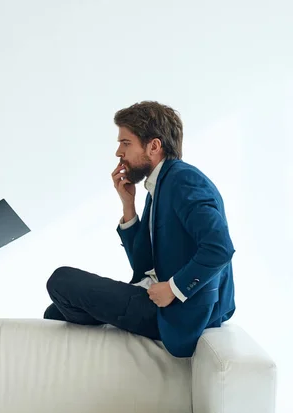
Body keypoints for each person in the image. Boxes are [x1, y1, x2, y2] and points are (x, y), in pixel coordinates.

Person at [43, 101, 235, 358]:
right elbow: (143, 265)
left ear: (154, 146)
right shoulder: (158, 187)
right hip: (155, 295)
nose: (118, 153)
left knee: (61, 281)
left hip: (178, 310)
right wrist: (128, 205)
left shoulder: (183, 180)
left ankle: (117, 321)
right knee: (54, 312)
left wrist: (174, 289)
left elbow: (219, 248)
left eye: (126, 143)